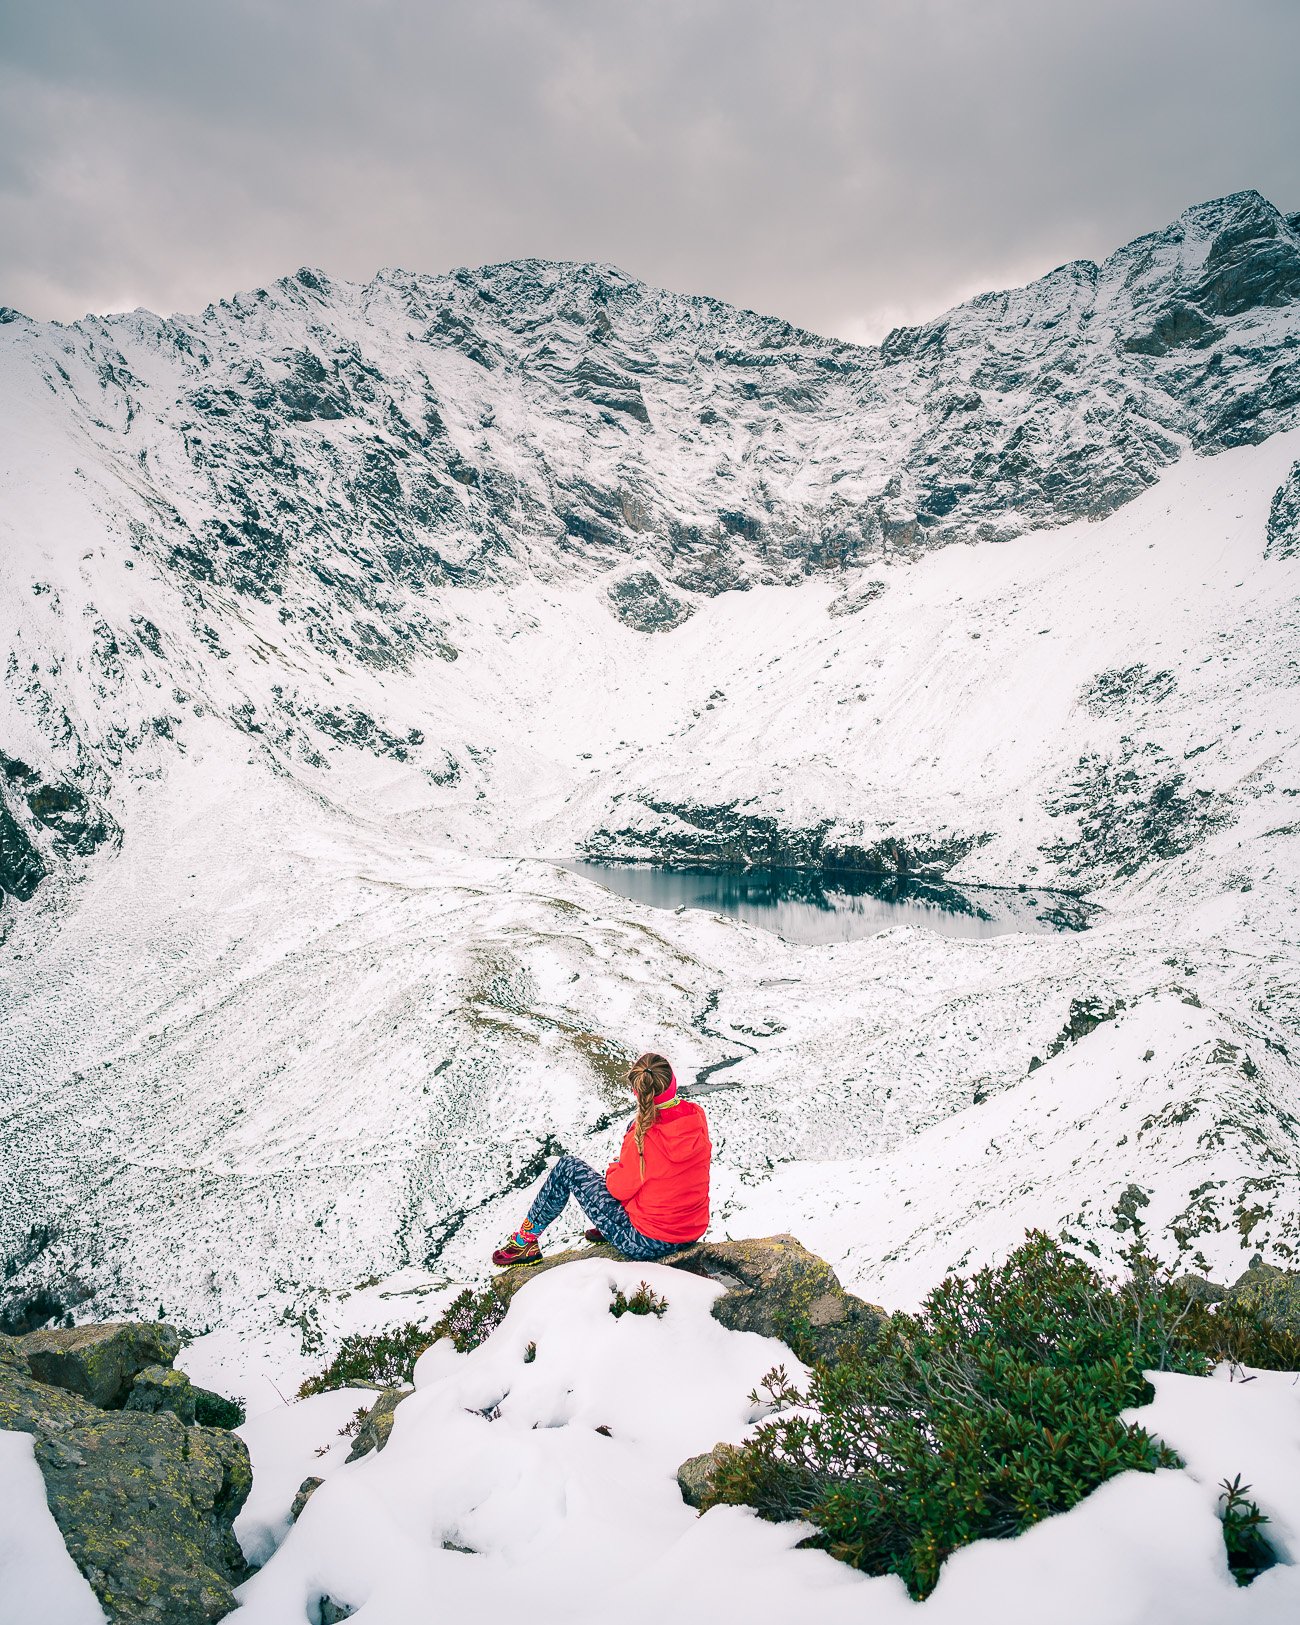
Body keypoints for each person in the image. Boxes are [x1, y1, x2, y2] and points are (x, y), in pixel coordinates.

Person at [492, 1052, 711, 1266]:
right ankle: (612, 1226)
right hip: (691, 1232)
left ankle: (524, 1242)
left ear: (637, 1092)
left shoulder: (643, 1136)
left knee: (568, 1167)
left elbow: (618, 1190)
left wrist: (616, 1168)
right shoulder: (695, 1116)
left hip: (648, 1242)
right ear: (672, 1082)